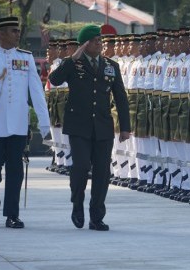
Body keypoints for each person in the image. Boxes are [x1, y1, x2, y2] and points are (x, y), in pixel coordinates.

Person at [49, 24, 130, 231]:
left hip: (102, 126)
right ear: (85, 44)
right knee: (81, 167)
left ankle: (97, 216)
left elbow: (120, 97)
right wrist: (73, 57)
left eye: (100, 41)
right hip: (79, 127)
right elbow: (54, 80)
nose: (99, 44)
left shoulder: (111, 65)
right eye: (94, 41)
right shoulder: (73, 64)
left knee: (102, 173)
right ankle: (77, 204)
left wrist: (125, 127)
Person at [0, 16, 50, 229]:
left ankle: (12, 215)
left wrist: (45, 125)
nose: (18, 34)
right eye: (13, 31)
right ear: (1, 34)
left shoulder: (26, 58)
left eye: (18, 31)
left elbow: (36, 91)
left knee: (15, 170)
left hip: (17, 125)